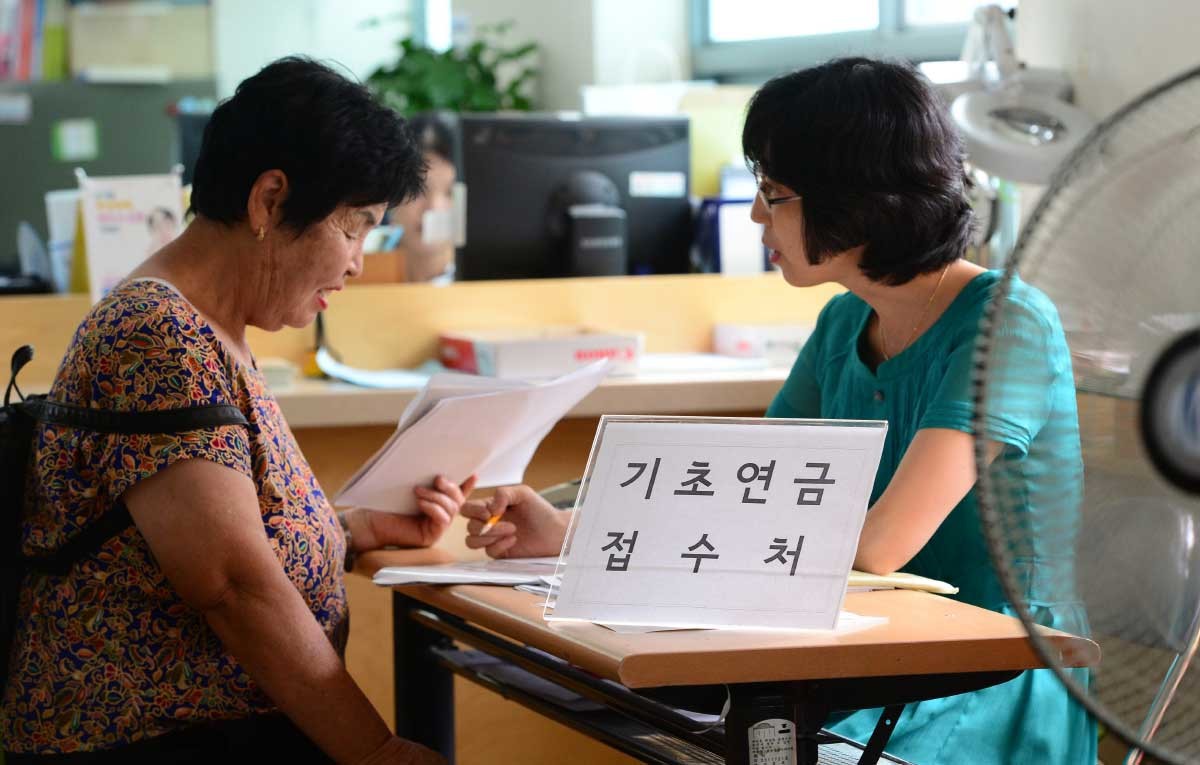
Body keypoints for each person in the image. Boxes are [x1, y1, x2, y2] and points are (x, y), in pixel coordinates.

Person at [460, 57, 1094, 765]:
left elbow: (880, 546)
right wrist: (567, 531)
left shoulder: (1007, 324)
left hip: (993, 678)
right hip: (863, 658)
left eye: (773, 192)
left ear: (854, 198)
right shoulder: (842, 324)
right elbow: (749, 503)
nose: (756, 214)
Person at [1, 57, 474, 764]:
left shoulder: (211, 330)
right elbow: (231, 584)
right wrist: (376, 750)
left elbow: (227, 530)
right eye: (355, 227)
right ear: (270, 201)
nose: (356, 261)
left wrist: (353, 529)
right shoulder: (157, 336)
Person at [388, 112, 457, 284]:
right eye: (419, 188)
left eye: (451, 192)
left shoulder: (495, 288)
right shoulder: (352, 280)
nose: (434, 208)